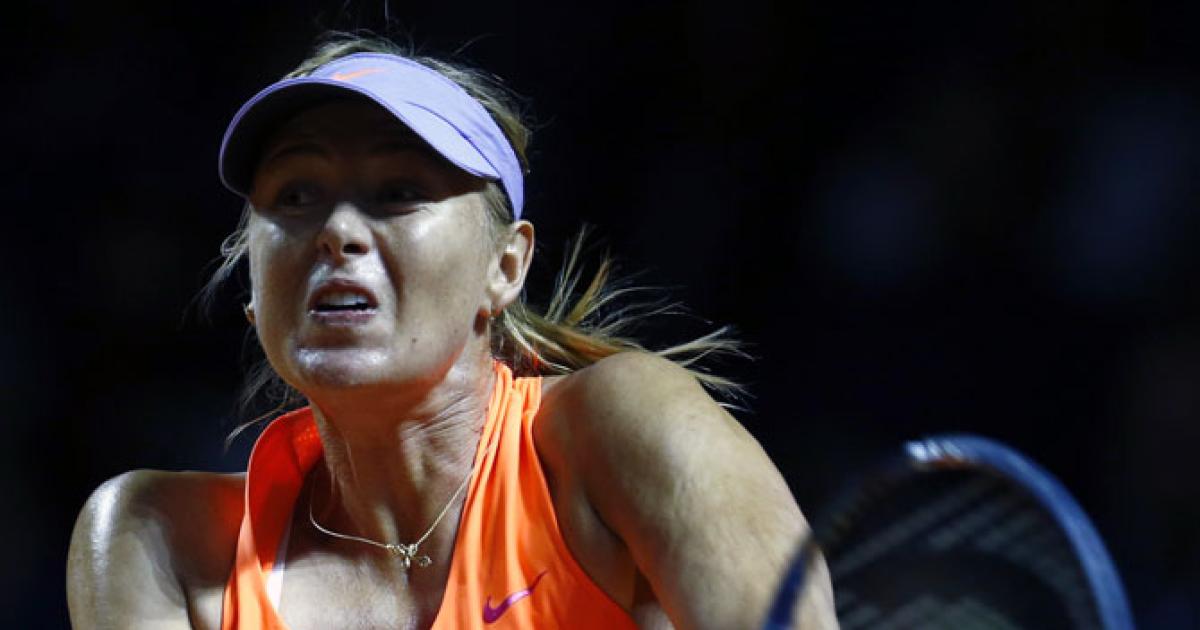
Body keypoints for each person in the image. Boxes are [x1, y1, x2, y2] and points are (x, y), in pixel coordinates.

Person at [66, 35, 837, 629]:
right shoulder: (156, 538)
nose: (336, 231)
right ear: (253, 289)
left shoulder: (626, 425)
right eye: (296, 195)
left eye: (398, 191)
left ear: (505, 267)